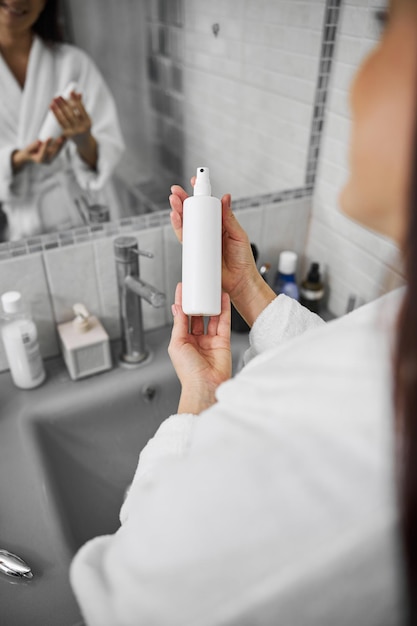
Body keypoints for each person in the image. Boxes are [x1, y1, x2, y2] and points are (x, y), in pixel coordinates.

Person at [70, 0, 416, 624]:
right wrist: (249, 288)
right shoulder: (393, 336)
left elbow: (133, 601)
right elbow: (340, 368)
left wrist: (195, 408)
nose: (361, 74)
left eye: (388, 27)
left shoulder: (372, 423)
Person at [0, 0, 125, 240]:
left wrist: (83, 139)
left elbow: (107, 150)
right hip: (24, 227)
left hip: (84, 213)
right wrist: (17, 159)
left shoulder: (73, 63)